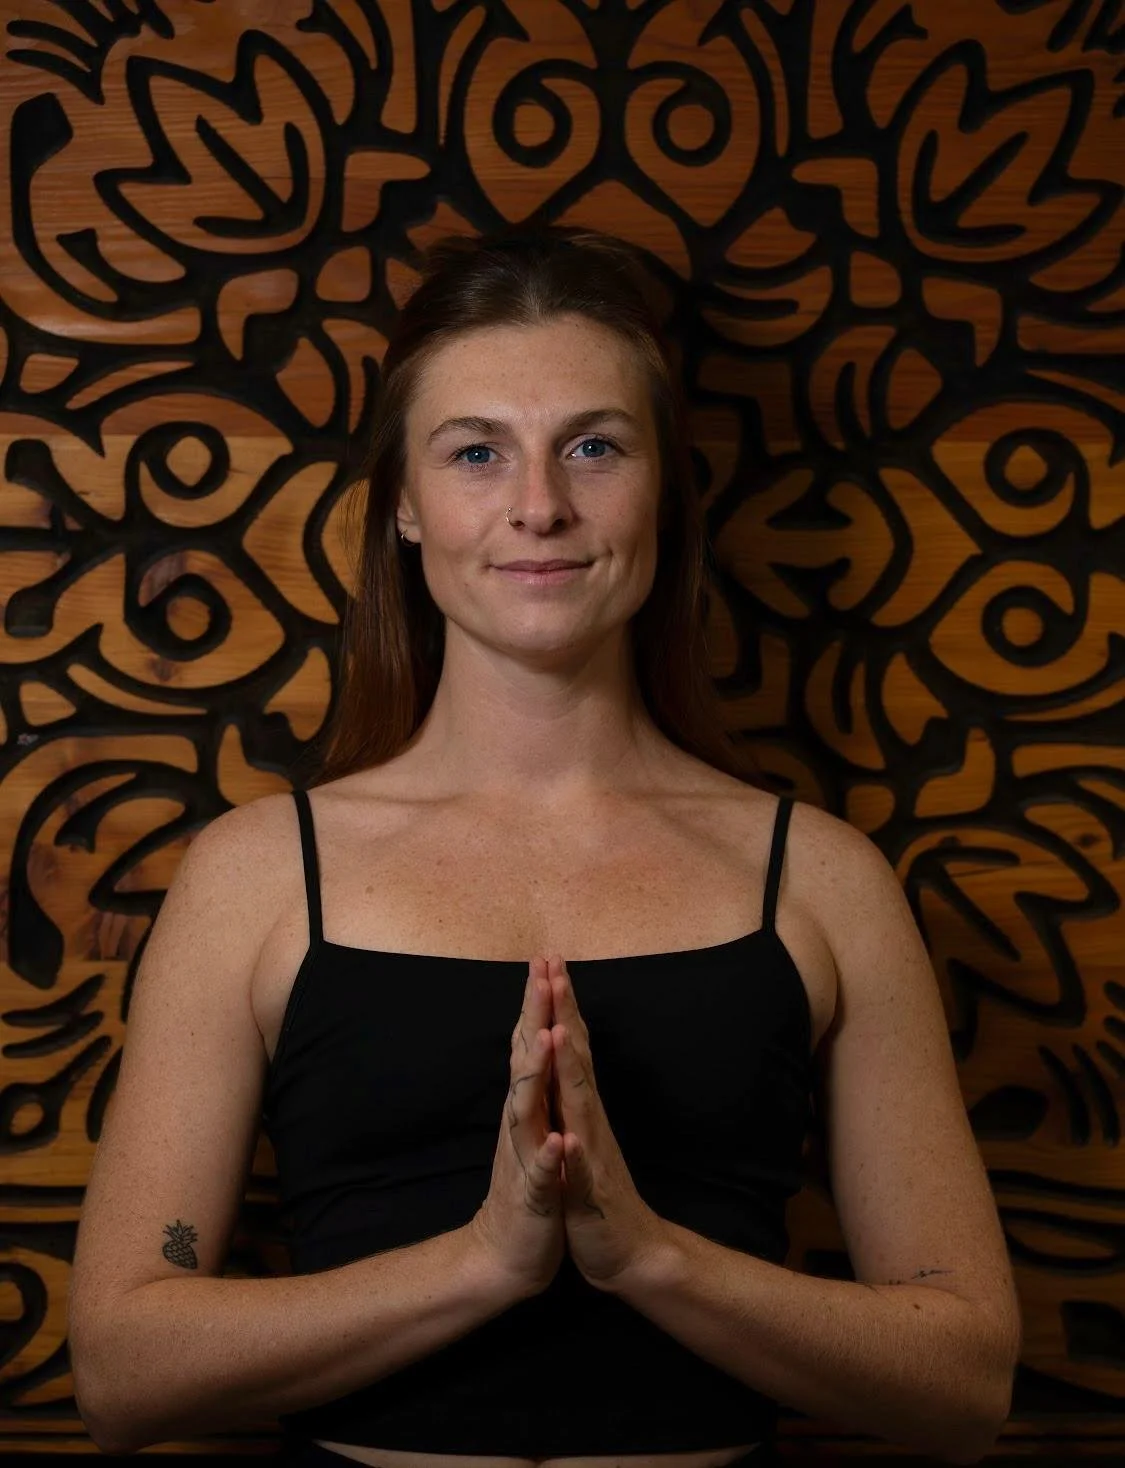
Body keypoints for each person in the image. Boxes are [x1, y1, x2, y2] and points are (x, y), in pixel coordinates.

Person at [67, 224, 1021, 1468]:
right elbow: (120, 1372)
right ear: (403, 504)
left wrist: (648, 1257)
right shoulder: (254, 873)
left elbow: (966, 1380)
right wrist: (481, 1263)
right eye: (476, 452)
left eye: (593, 446)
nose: (539, 506)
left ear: (664, 489)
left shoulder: (825, 880)